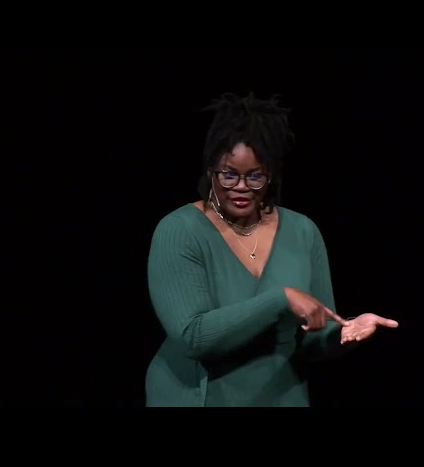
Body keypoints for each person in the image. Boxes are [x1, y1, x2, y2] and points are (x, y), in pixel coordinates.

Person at [145, 92, 398, 407]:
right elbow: (193, 337)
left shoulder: (302, 231)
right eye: (229, 175)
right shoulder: (180, 230)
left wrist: (345, 334)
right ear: (211, 171)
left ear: (270, 176)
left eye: (255, 176)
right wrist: (281, 299)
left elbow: (312, 339)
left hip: (281, 397)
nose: (241, 186)